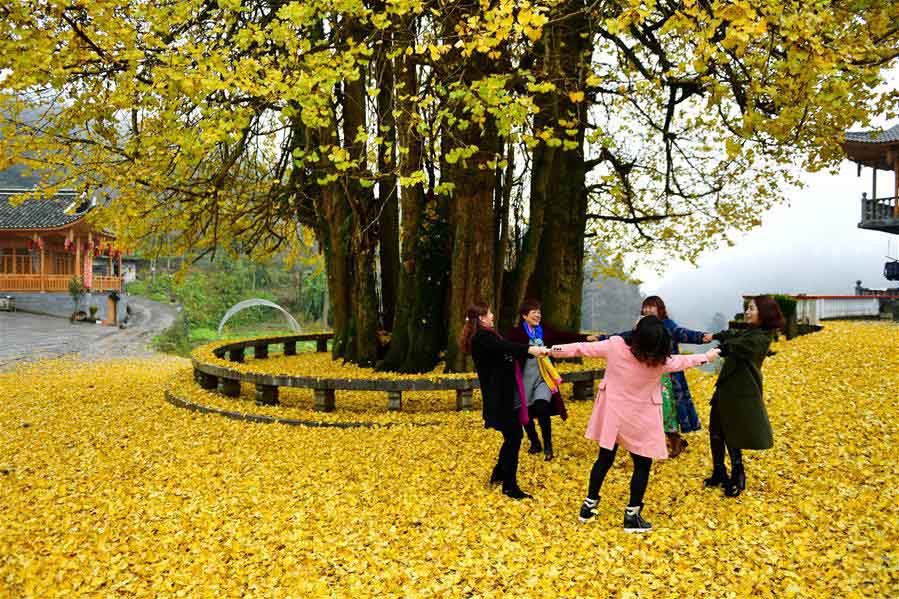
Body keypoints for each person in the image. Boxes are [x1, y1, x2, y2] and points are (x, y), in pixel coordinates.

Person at [551, 316, 720, 532]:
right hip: (641, 419)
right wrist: (707, 356)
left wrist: (550, 350)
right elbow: (683, 361)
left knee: (604, 459)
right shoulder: (660, 361)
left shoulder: (615, 346)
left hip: (613, 415)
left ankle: (589, 505)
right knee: (642, 465)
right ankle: (632, 515)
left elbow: (582, 348)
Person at [460, 302, 549, 500]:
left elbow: (502, 351)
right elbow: (504, 347)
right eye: (490, 312)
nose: (492, 315)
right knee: (514, 436)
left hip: (502, 395)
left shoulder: (484, 334)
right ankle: (510, 486)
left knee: (513, 435)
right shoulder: (483, 336)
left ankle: (500, 474)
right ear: (482, 317)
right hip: (498, 397)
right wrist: (530, 350)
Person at [704, 295, 784, 497]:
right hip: (726, 388)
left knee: (732, 432)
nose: (747, 312)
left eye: (751, 309)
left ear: (763, 313)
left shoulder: (761, 337)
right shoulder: (750, 331)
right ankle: (719, 471)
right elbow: (733, 334)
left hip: (741, 392)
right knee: (716, 430)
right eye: (747, 308)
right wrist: (715, 335)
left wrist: (718, 350)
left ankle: (738, 474)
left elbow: (737, 347)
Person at [505, 299, 598, 461]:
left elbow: (565, 337)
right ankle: (535, 442)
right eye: (534, 312)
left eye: (539, 312)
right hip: (523, 380)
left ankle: (548, 446)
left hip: (544, 378)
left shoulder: (545, 331)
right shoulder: (516, 333)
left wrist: (586, 338)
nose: (538, 315)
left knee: (542, 407)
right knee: (523, 412)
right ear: (524, 316)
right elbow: (507, 349)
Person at [639, 296, 713, 457]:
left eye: (651, 307)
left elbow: (683, 333)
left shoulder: (668, 325)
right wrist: (602, 338)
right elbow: (625, 337)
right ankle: (664, 440)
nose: (647, 310)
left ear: (660, 309)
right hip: (648, 374)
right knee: (649, 408)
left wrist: (701, 337)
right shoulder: (642, 327)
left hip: (668, 375)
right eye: (645, 307)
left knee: (668, 409)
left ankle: (675, 440)